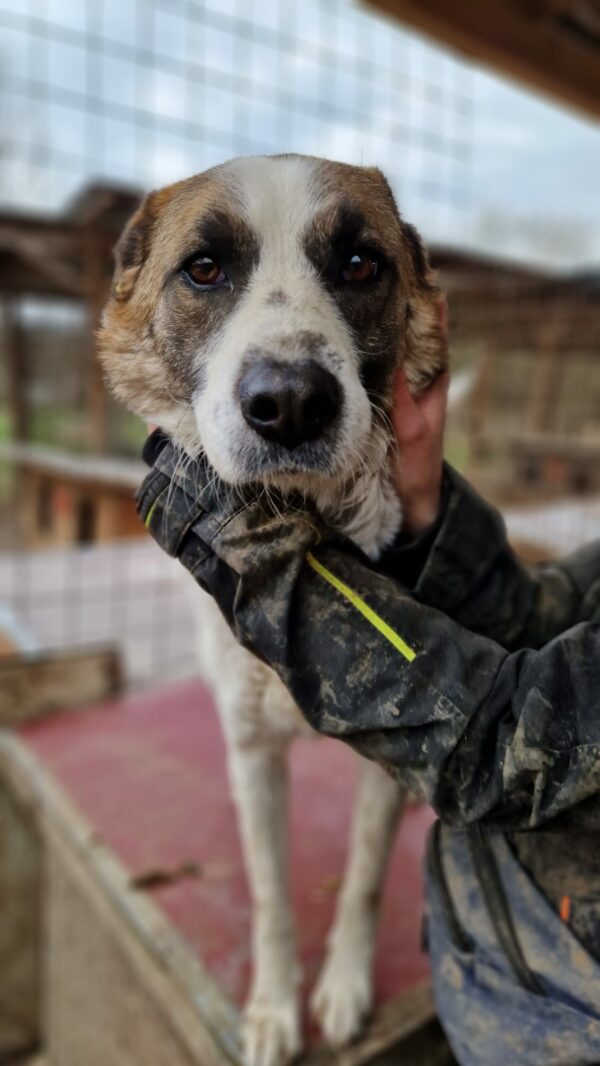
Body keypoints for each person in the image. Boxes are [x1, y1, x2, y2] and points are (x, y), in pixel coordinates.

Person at [137, 371, 600, 1066]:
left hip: (559, 1016)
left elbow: (495, 746)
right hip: (499, 946)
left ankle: (355, 927)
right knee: (255, 742)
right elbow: (544, 625)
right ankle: (278, 956)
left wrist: (270, 578)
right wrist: (425, 505)